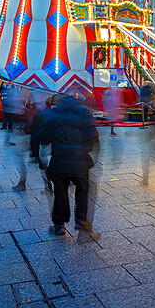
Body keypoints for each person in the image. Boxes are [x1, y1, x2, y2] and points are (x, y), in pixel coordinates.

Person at [35, 92, 100, 237]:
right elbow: (93, 136)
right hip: (80, 161)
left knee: (60, 193)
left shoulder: (52, 114)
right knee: (82, 192)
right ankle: (81, 222)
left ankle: (59, 226)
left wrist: (43, 160)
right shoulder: (84, 113)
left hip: (59, 160)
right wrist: (89, 153)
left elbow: (43, 138)